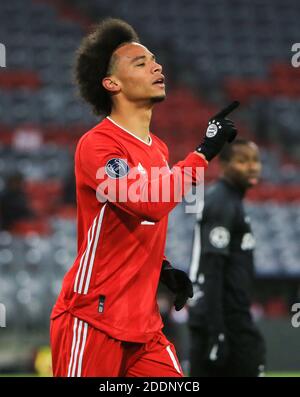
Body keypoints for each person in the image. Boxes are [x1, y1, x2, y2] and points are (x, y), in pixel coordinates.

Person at [50, 18, 238, 377]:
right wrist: (203, 153)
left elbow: (139, 220)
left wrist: (161, 269)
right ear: (112, 83)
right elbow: (146, 201)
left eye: (155, 60)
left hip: (144, 327)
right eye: (141, 63)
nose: (157, 66)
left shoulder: (158, 150)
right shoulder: (98, 145)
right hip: (92, 320)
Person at [188, 139, 266, 377]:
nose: (252, 167)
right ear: (223, 165)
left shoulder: (231, 200)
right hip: (224, 321)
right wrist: (217, 332)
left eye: (255, 160)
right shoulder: (221, 202)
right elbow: (211, 270)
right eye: (242, 161)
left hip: (229, 317)